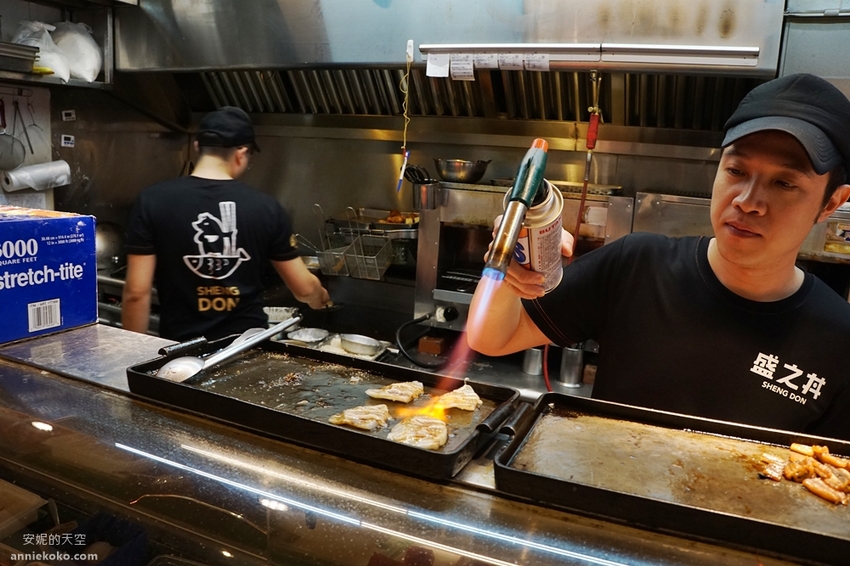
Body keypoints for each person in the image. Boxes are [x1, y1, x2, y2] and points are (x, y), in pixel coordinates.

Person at [467, 73, 850, 441]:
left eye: (784, 183)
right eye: (736, 170)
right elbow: (491, 338)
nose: (747, 202)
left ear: (831, 202)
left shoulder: (839, 339)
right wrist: (509, 261)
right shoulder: (637, 265)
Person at [122, 106, 329, 342]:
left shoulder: (152, 200)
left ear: (197, 146)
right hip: (246, 349)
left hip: (181, 352)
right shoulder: (266, 207)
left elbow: (136, 294)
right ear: (242, 153)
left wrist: (134, 357)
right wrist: (319, 296)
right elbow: (303, 289)